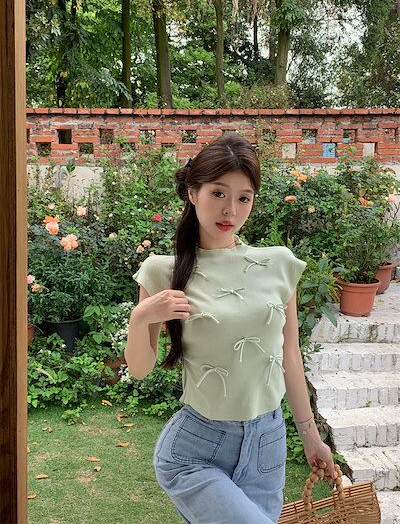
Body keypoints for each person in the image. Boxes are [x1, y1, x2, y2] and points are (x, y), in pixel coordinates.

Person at [125, 132, 337, 524]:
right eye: (218, 193)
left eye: (244, 198)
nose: (230, 211)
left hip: (268, 443)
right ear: (193, 193)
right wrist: (141, 317)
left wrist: (311, 436)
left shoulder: (278, 265)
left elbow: (289, 356)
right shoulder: (161, 271)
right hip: (196, 449)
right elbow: (139, 369)